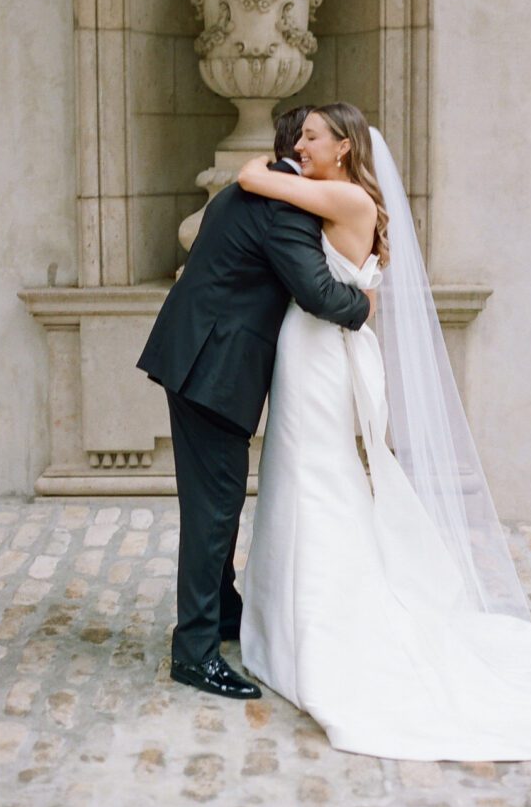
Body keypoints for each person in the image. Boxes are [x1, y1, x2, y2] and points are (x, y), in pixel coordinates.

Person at [236, 101, 531, 760]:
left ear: (342, 147)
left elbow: (251, 178)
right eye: (298, 137)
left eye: (310, 137)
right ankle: (289, 619)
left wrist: (270, 163)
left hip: (318, 357)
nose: (297, 146)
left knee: (315, 478)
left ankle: (317, 628)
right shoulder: (348, 193)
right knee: (308, 475)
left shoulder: (337, 194)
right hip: (320, 353)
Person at [135, 106, 374, 700]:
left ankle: (223, 612)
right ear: (303, 147)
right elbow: (317, 292)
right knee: (214, 508)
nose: (311, 145)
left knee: (212, 499)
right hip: (213, 368)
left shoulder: (258, 185)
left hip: (194, 354)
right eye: (310, 136)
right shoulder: (285, 207)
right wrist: (366, 307)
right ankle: (194, 653)